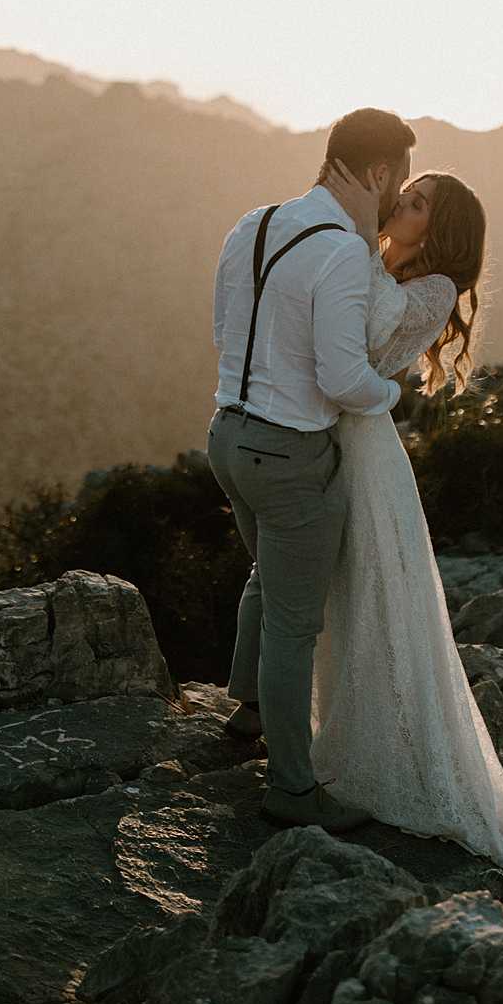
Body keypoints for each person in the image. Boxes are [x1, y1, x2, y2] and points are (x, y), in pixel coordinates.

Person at [307, 160, 503, 880]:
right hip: (332, 434)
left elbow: (369, 331)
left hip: (365, 452)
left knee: (375, 594)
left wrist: (360, 239)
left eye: (419, 202)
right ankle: (337, 733)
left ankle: (390, 758)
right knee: (338, 595)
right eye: (408, 193)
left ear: (442, 232)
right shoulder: (380, 264)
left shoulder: (432, 290)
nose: (402, 202)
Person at [206, 108, 412, 832]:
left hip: (226, 436)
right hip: (289, 454)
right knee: (296, 625)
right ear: (379, 172)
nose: (399, 195)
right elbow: (343, 377)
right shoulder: (343, 252)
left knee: (266, 577)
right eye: (400, 180)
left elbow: (224, 332)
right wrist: (393, 395)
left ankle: (248, 710)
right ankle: (291, 788)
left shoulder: (253, 223)